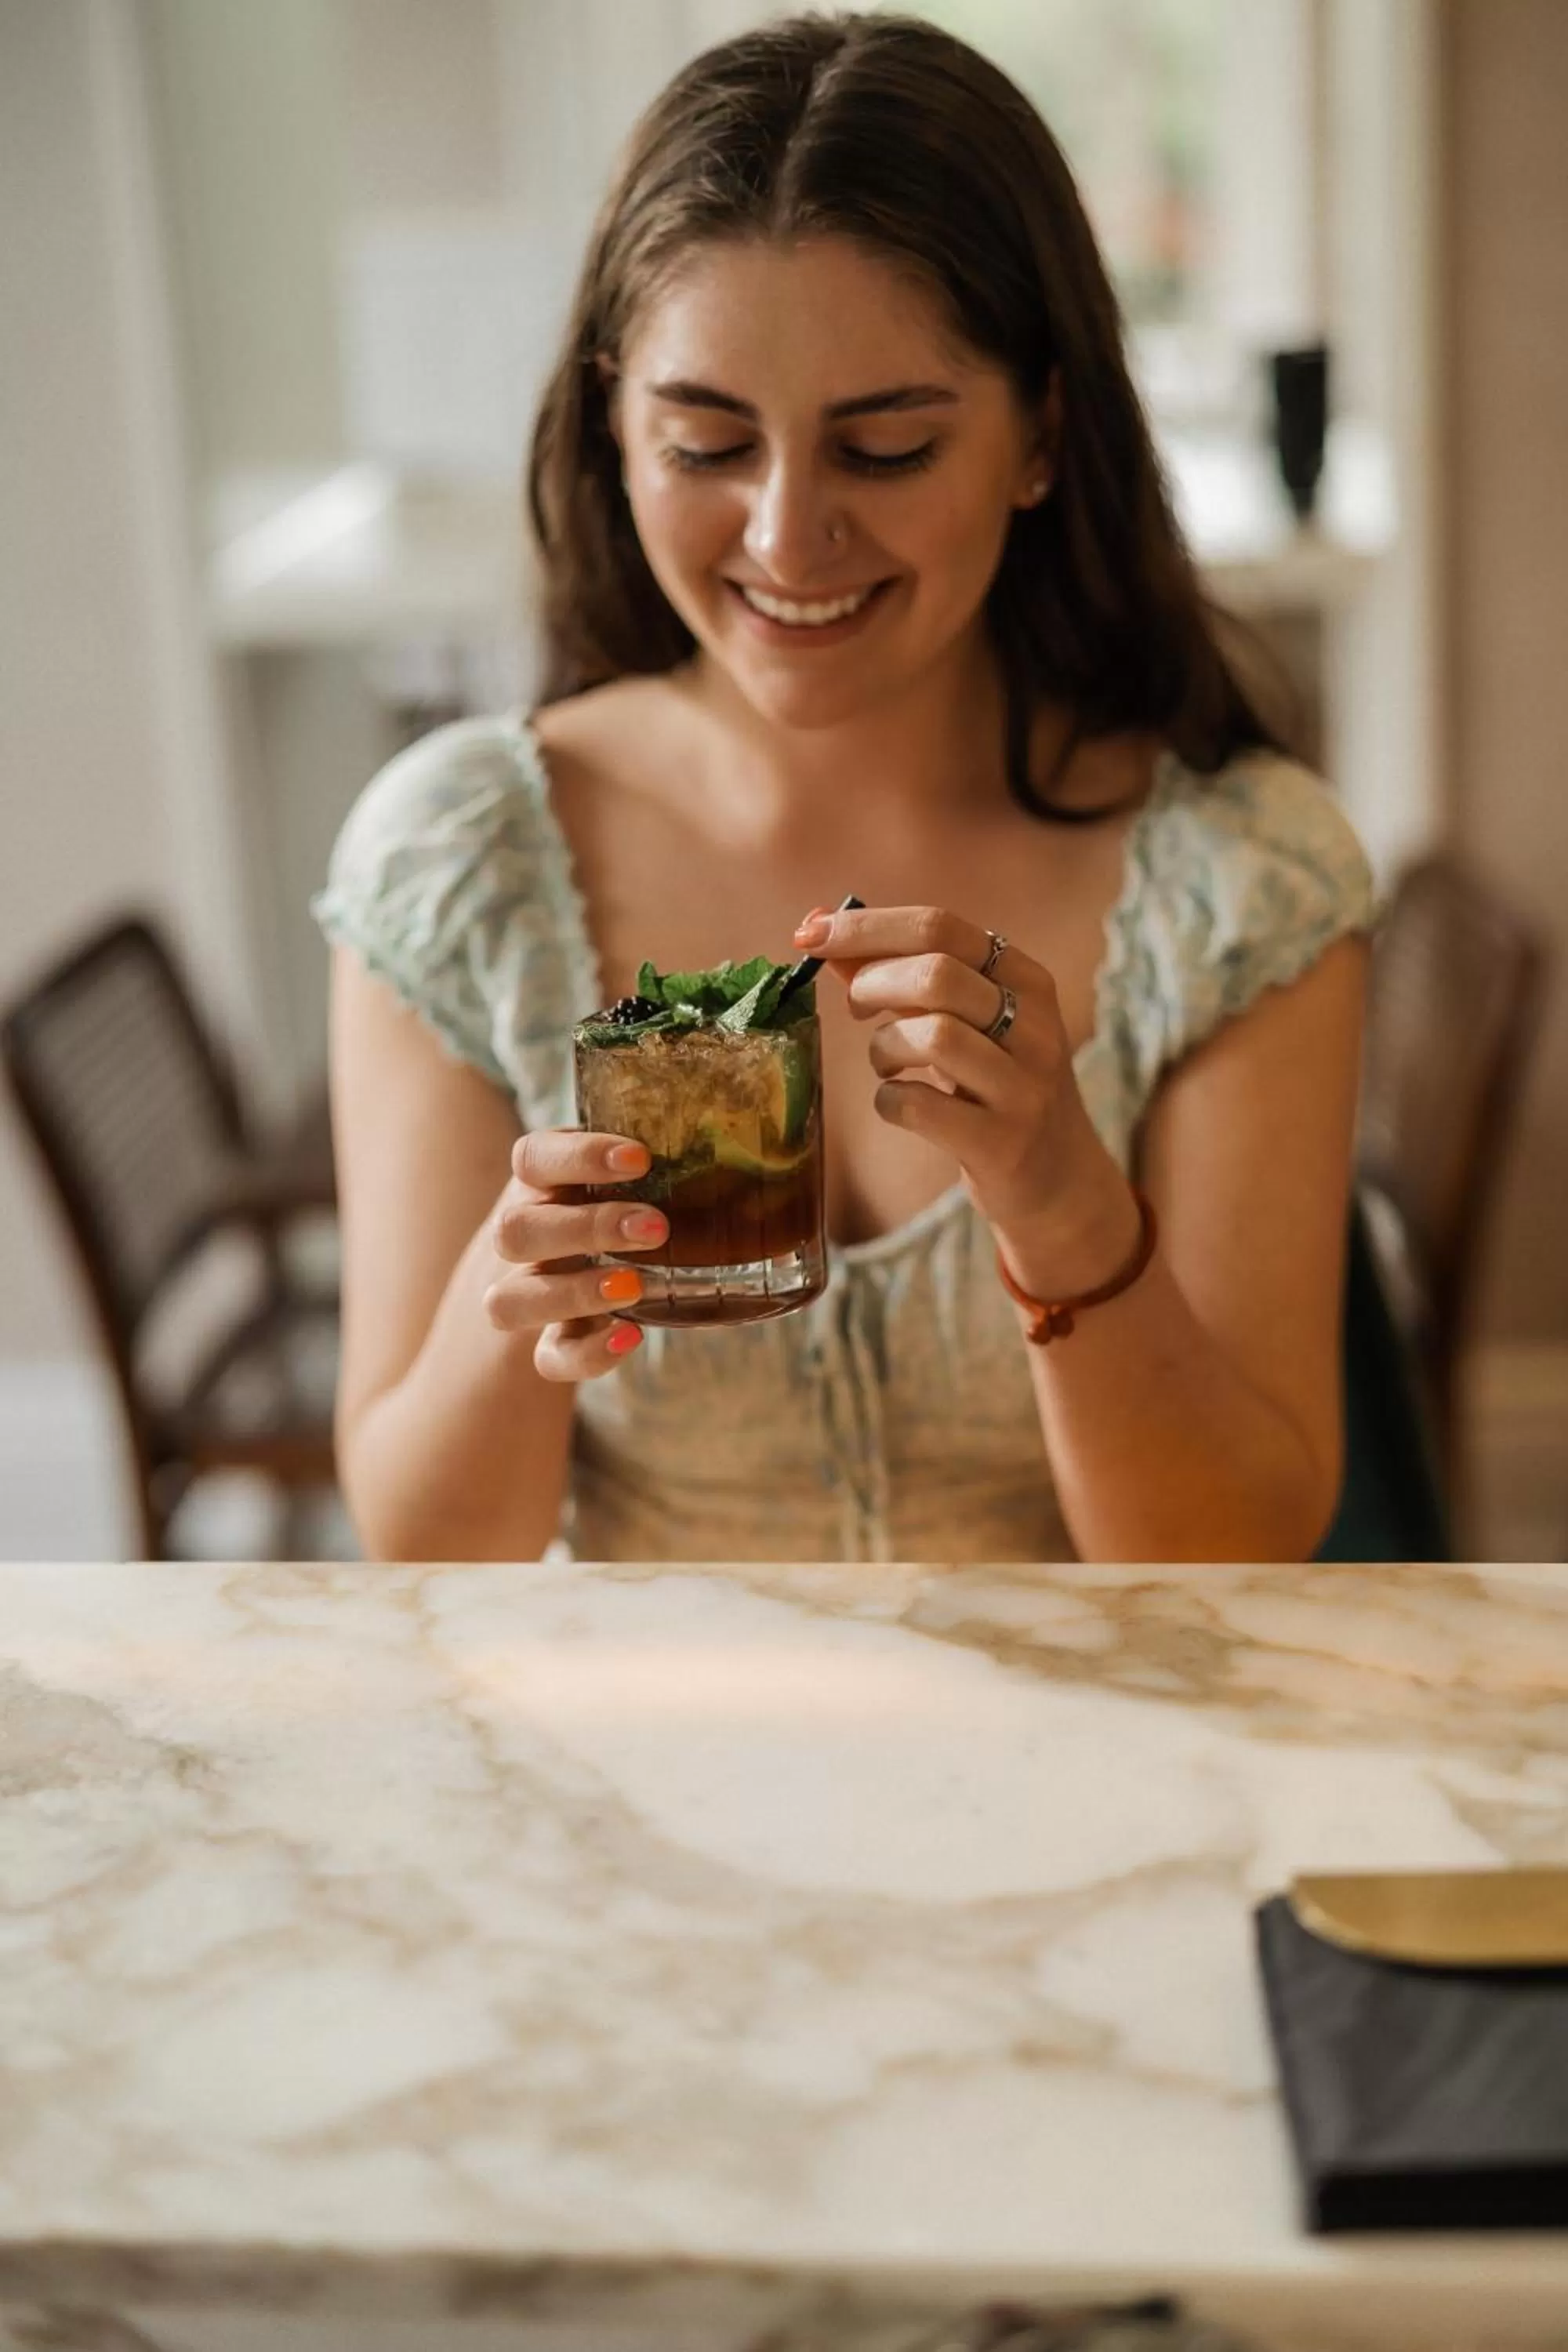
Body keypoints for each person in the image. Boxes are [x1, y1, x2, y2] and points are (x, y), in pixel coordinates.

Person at [314, 12, 1374, 1567]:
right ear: (615, 427)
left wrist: (1063, 1202)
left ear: (1039, 440)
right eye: (705, 443)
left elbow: (1231, 1561)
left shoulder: (1246, 880)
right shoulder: (455, 858)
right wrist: (513, 1303)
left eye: (883, 449)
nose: (785, 538)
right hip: (644, 1772)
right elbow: (426, 1550)